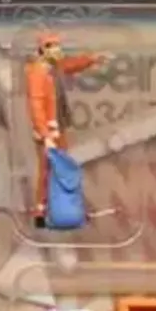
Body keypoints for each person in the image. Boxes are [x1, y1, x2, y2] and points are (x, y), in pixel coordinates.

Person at [25, 32, 111, 228]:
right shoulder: (37, 72)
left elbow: (71, 65)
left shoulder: (54, 67)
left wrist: (91, 59)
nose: (57, 49)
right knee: (47, 169)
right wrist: (44, 134)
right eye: (52, 46)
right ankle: (41, 211)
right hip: (48, 131)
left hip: (59, 125)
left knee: (63, 168)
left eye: (57, 45)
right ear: (43, 49)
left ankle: (65, 207)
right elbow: (36, 105)